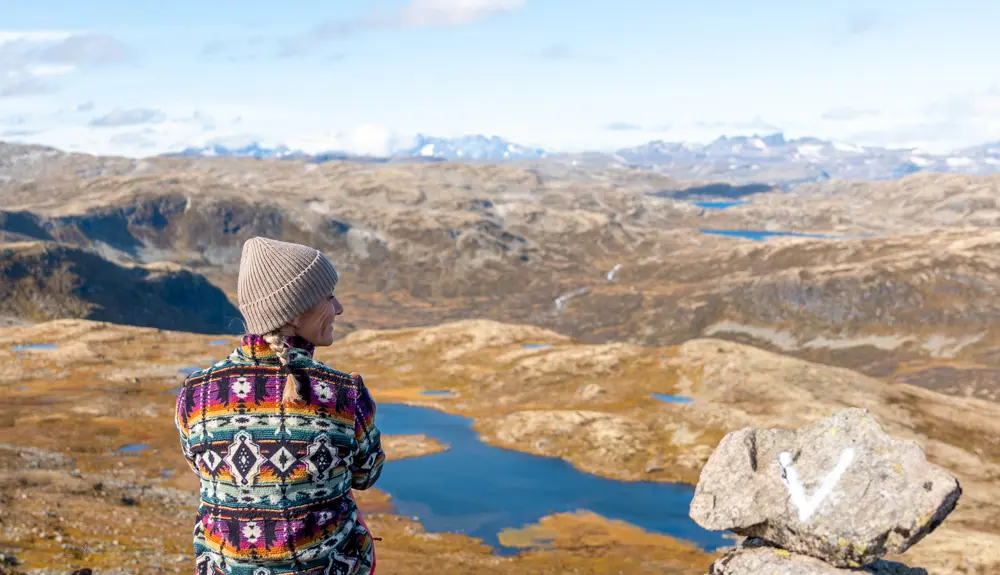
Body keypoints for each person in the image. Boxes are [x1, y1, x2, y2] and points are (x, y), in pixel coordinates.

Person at [174, 236, 385, 575]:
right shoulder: (344, 393)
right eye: (328, 297)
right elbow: (367, 474)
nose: (339, 308)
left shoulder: (196, 392)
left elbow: (201, 469)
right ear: (295, 311)